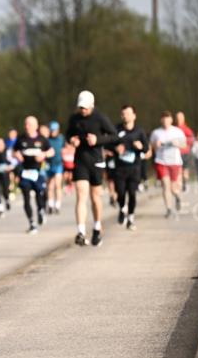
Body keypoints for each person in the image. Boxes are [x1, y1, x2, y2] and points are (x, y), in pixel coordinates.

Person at [65, 90, 116, 247]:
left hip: (96, 161)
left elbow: (114, 136)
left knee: (95, 198)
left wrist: (98, 140)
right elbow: (68, 134)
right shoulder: (74, 119)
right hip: (80, 161)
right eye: (81, 107)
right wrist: (72, 140)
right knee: (81, 195)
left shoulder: (100, 118)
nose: (83, 110)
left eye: (86, 108)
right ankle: (80, 231)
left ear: (92, 105)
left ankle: (96, 227)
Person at [13, 117, 54, 233]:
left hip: (38, 172)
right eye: (26, 124)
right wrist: (17, 155)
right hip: (25, 172)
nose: (27, 126)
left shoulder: (42, 139)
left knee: (40, 195)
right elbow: (14, 151)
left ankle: (41, 210)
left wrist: (44, 155)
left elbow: (52, 152)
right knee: (26, 197)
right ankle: (32, 223)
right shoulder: (21, 139)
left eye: (30, 124)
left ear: (36, 126)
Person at [112, 104, 148, 230]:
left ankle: (131, 218)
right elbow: (108, 144)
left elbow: (146, 148)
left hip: (134, 168)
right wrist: (116, 148)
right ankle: (122, 208)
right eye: (123, 114)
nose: (125, 116)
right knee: (120, 193)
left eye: (127, 113)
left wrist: (140, 147)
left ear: (134, 115)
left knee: (132, 193)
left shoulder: (139, 131)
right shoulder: (116, 129)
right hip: (120, 168)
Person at [150, 111, 187, 218]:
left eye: (168, 119)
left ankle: (177, 196)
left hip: (175, 162)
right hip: (161, 161)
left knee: (173, 187)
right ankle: (169, 209)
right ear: (161, 120)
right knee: (165, 186)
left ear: (171, 120)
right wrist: (155, 145)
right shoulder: (156, 132)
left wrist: (177, 143)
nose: (166, 121)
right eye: (164, 119)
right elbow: (151, 146)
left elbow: (184, 144)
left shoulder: (177, 131)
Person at [45, 120, 65, 213]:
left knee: (57, 184)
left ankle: (58, 204)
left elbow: (65, 148)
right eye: (51, 130)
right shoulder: (47, 139)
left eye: (54, 130)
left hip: (58, 164)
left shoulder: (61, 138)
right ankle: (50, 203)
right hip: (49, 164)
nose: (53, 132)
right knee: (50, 186)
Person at [175, 111, 195, 193]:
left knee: (185, 170)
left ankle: (185, 183)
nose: (178, 119)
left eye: (180, 118)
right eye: (177, 118)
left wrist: (184, 143)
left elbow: (192, 140)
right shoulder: (174, 129)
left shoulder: (186, 129)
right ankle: (179, 185)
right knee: (178, 170)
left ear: (183, 119)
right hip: (175, 153)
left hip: (185, 153)